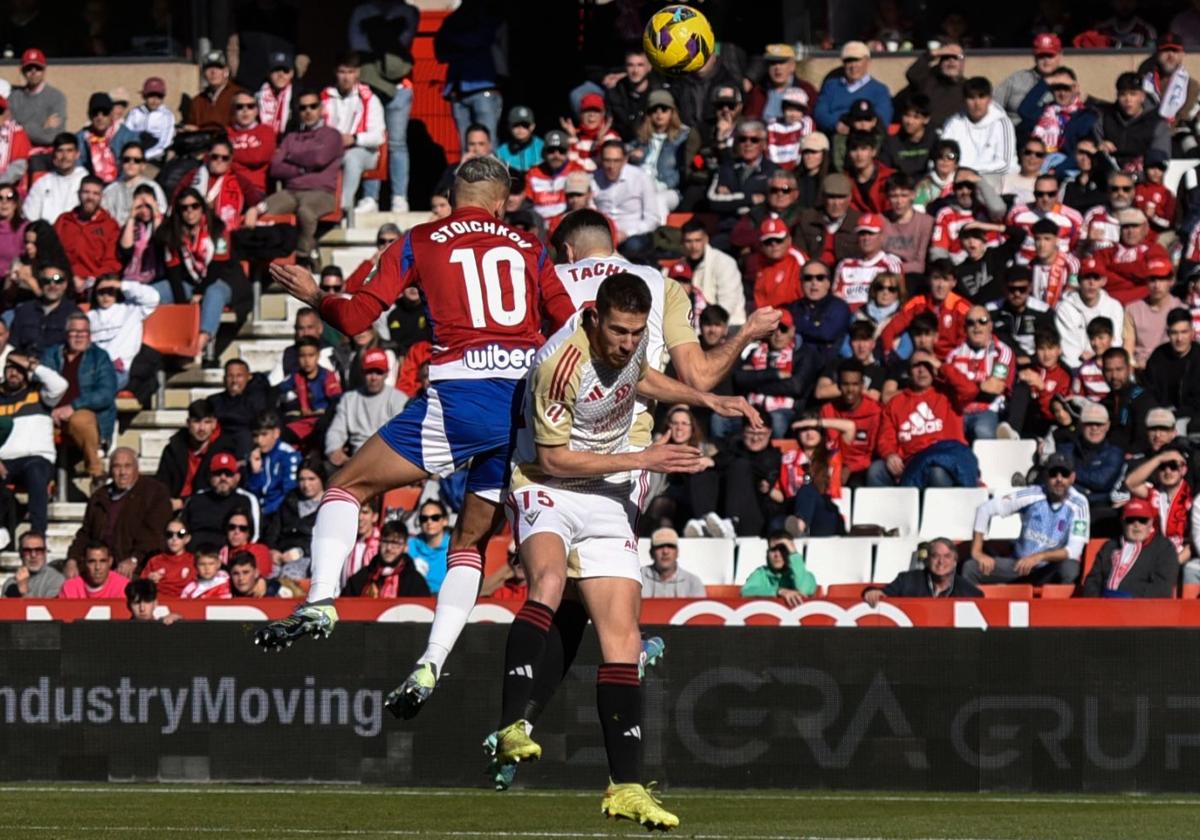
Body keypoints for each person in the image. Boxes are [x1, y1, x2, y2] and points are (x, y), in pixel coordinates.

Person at [255, 157, 576, 690]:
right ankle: (432, 660)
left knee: (344, 486)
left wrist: (315, 295)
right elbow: (568, 327)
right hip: (522, 409)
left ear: (454, 196)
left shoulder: (422, 239)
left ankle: (321, 601)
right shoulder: (530, 246)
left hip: (457, 401)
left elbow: (356, 318)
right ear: (501, 204)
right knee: (469, 543)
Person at [490, 272, 749, 830]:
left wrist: (706, 398)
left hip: (604, 492)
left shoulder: (629, 348)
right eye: (618, 331)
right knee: (550, 585)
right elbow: (555, 460)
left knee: (623, 638)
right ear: (593, 319)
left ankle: (625, 787)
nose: (627, 342)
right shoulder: (562, 365)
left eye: (636, 332)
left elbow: (646, 378)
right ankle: (511, 726)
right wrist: (642, 460)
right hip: (547, 483)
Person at [153, 188, 250, 364]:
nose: (190, 211)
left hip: (223, 278)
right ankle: (151, 342)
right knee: (155, 292)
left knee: (214, 292)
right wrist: (183, 308)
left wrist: (200, 292)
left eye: (195, 206)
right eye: (184, 208)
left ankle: (199, 344)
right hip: (190, 281)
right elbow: (173, 271)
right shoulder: (172, 234)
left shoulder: (218, 229)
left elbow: (218, 266)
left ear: (202, 208)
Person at [963, 452, 1089, 586]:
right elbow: (985, 509)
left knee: (1070, 569)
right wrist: (977, 551)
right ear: (1046, 476)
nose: (1059, 479)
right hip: (1019, 565)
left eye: (1064, 474)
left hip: (1049, 569)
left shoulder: (1079, 503)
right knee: (971, 568)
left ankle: (1060, 607)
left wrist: (1039, 557)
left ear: (1072, 477)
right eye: (1053, 474)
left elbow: (1074, 550)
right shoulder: (1033, 493)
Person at [867, 350, 975, 488]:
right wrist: (890, 455)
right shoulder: (896, 403)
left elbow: (970, 390)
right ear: (909, 372)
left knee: (936, 472)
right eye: (916, 366)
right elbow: (885, 438)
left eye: (927, 365)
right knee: (876, 470)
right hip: (911, 463)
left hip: (945, 459)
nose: (922, 370)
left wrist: (940, 365)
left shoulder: (948, 393)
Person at [259, 89, 343, 262]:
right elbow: (275, 167)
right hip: (291, 191)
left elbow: (319, 159)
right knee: (263, 209)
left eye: (313, 106)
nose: (308, 111)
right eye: (303, 108)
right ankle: (269, 258)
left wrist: (291, 156)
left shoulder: (332, 135)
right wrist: (303, 168)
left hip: (321, 193)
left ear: (321, 109)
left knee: (306, 212)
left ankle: (303, 257)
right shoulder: (291, 137)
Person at [66, 446, 171, 572]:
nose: (122, 473)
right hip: (100, 568)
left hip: (139, 568)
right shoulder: (100, 496)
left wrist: (134, 559)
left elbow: (154, 537)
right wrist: (72, 559)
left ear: (137, 468)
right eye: (117, 467)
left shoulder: (155, 493)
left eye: (128, 466)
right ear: (111, 470)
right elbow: (85, 533)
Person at [0, 353, 64, 535]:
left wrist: (33, 366)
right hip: (4, 462)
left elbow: (60, 385)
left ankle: (38, 535)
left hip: (36, 458)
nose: (14, 373)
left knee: (36, 473)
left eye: (19, 370)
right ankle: (4, 526)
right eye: (10, 369)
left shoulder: (40, 393)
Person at [321, 51, 386, 213]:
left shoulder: (370, 99)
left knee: (351, 157)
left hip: (365, 153)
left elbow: (378, 136)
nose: (346, 77)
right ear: (335, 73)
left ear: (358, 73)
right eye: (342, 72)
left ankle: (343, 207)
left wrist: (354, 139)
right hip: (332, 150)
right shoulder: (325, 97)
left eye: (350, 72)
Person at [325, 346, 408, 467]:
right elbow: (336, 430)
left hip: (388, 457)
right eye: (369, 372)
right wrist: (334, 450)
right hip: (356, 457)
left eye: (378, 372)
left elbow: (402, 436)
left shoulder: (399, 399)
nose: (373, 377)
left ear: (387, 374)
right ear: (362, 373)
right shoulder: (349, 399)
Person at [944, 305, 1017, 442]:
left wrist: (965, 386)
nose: (976, 326)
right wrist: (979, 386)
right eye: (971, 323)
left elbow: (995, 387)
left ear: (990, 325)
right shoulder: (953, 355)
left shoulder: (1002, 352)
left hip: (988, 410)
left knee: (982, 430)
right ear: (965, 328)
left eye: (982, 321)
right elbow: (950, 390)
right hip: (958, 412)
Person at [1081, 497, 1177, 597]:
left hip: (1141, 608)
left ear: (1151, 522)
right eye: (1130, 520)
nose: (1136, 524)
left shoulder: (1164, 549)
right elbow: (1092, 581)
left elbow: (1162, 588)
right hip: (1103, 606)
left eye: (1142, 520)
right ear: (1123, 522)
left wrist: (1130, 601)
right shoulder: (1109, 547)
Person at [880, 260, 972, 360]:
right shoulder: (918, 303)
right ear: (929, 280)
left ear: (953, 283)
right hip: (921, 359)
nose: (940, 285)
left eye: (945, 280)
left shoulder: (962, 307)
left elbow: (964, 344)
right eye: (936, 278)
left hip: (951, 360)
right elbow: (890, 329)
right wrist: (888, 353)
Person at [155, 398, 237, 509]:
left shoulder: (224, 450)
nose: (202, 428)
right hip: (172, 507)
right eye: (197, 422)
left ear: (214, 424)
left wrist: (182, 503)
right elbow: (162, 483)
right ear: (188, 424)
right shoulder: (173, 448)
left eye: (207, 422)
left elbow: (217, 488)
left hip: (207, 508)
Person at [86, 276, 160, 399]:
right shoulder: (89, 317)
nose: (105, 296)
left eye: (110, 291)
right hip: (95, 370)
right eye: (101, 292)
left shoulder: (132, 309)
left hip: (122, 369)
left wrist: (122, 285)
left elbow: (153, 297)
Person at [1125, 443, 1193, 569]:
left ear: (1183, 469)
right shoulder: (1153, 492)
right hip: (1152, 553)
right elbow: (1130, 483)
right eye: (1162, 467)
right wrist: (1159, 458)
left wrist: (1172, 564)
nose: (1167, 471)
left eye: (1173, 466)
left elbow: (1194, 543)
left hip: (1181, 558)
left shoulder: (1193, 497)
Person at [939, 77, 1017, 186]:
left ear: (990, 99)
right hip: (959, 181)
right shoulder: (954, 123)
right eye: (971, 98)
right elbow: (942, 156)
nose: (977, 103)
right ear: (964, 100)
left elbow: (1005, 165)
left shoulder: (1002, 123)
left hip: (995, 181)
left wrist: (972, 173)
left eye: (981, 97)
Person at [864, 537, 982, 604]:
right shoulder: (906, 581)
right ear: (927, 560)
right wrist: (873, 593)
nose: (941, 561)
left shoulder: (969, 592)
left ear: (955, 562)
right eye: (935, 556)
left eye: (947, 557)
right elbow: (882, 593)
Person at [1055, 257, 1125, 369]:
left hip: (1108, 365)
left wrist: (1095, 358)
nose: (1091, 283)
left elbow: (1116, 342)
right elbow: (1070, 350)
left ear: (1104, 281)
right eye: (1087, 277)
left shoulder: (1114, 306)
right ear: (1079, 280)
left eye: (1096, 278)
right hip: (1077, 368)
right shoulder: (1065, 308)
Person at [183, 451, 261, 550]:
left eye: (228, 474)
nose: (223, 478)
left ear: (237, 477)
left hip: (231, 557)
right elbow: (182, 529)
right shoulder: (196, 499)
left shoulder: (247, 500)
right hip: (194, 555)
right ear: (210, 476)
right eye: (218, 473)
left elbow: (255, 536)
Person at [1093, 72, 1170, 172]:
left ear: (1142, 97)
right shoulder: (1104, 117)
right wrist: (1099, 146)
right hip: (1109, 174)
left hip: (1142, 176)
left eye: (1133, 94)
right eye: (1123, 94)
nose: (1128, 99)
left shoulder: (1156, 123)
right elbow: (1089, 147)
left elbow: (1160, 160)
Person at [54, 176, 121, 290]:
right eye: (86, 192)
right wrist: (68, 278)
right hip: (62, 282)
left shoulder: (110, 226)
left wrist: (89, 282)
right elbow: (52, 255)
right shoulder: (64, 221)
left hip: (95, 287)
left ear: (101, 197)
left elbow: (111, 263)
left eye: (95, 194)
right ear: (79, 194)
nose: (90, 197)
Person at [247, 409, 301, 547]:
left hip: (278, 512)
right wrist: (255, 472)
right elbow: (252, 491)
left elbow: (289, 491)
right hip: (259, 511)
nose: (259, 441)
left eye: (264, 434)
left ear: (276, 433)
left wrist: (268, 509)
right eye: (255, 435)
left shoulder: (288, 455)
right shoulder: (253, 455)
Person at [677, 219, 745, 329]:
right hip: (695, 329)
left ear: (706, 239)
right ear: (682, 243)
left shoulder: (724, 262)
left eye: (697, 240)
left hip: (729, 325)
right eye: (688, 241)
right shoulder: (678, 267)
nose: (693, 246)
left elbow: (727, 305)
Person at [813, 41, 893, 133]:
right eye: (848, 61)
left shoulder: (880, 90)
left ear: (868, 61)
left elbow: (883, 119)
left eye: (857, 60)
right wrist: (836, 124)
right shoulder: (831, 86)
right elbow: (820, 113)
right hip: (835, 135)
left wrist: (858, 126)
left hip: (866, 139)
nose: (853, 65)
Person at [833, 213, 903, 311]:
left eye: (871, 233)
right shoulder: (844, 265)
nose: (866, 238)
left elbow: (897, 298)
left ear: (881, 236)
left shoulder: (891, 263)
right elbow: (836, 298)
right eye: (862, 234)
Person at [8, 260, 79, 356]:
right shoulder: (24, 311)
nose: (52, 285)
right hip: (24, 365)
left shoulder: (74, 314)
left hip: (56, 367)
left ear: (65, 284)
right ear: (40, 283)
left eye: (58, 280)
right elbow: (13, 345)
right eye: (46, 281)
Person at [344, 520, 430, 597]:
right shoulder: (363, 576)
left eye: (395, 543)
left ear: (405, 547)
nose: (389, 548)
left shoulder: (414, 582)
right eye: (385, 541)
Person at [1143, 309, 1200, 423]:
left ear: (1192, 333)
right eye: (1174, 333)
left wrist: (1175, 415)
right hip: (1160, 415)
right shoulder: (1158, 357)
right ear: (1168, 333)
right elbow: (1148, 391)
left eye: (1184, 332)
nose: (1179, 339)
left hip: (1192, 418)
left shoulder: (1198, 356)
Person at [1099, 347, 1156, 452]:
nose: (1114, 376)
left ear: (1129, 369)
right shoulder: (1105, 403)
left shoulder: (1142, 399)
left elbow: (1143, 439)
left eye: (1119, 369)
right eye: (1108, 370)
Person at [9, 49, 66, 151]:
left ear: (44, 70)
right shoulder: (14, 98)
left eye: (38, 68)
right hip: (18, 152)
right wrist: (42, 126)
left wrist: (22, 128)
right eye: (29, 68)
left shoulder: (57, 97)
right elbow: (10, 133)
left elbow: (52, 137)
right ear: (22, 71)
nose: (33, 71)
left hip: (47, 155)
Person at [75, 92, 139, 184]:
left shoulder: (128, 138)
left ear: (111, 114)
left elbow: (132, 168)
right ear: (89, 115)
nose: (100, 117)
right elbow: (78, 168)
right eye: (95, 113)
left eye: (105, 113)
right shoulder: (81, 138)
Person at [22, 132, 86, 222]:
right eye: (60, 151)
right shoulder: (42, 183)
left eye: (69, 151)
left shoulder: (86, 181)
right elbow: (30, 216)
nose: (64, 156)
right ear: (54, 154)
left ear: (77, 154)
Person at [1125, 272, 1184, 369]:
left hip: (1171, 367)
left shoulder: (1181, 308)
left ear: (1171, 281)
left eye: (1162, 279)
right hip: (1141, 369)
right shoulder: (1132, 309)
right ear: (1147, 282)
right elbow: (1128, 346)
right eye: (1152, 280)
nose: (1157, 285)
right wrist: (1132, 365)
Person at [901, 44, 966, 131]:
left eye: (956, 58)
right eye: (946, 57)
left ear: (963, 63)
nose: (951, 61)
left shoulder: (967, 87)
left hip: (955, 135)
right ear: (940, 62)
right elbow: (912, 74)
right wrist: (935, 52)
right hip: (927, 136)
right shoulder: (928, 80)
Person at [524, 130, 585, 222]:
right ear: (544, 153)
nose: (556, 155)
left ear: (567, 152)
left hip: (567, 223)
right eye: (551, 151)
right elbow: (527, 205)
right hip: (539, 226)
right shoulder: (532, 174)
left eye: (561, 151)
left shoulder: (576, 170)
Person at [228, 91, 275, 208]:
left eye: (250, 106)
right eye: (239, 107)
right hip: (228, 187)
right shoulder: (226, 132)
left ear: (256, 111)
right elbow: (214, 159)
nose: (245, 110)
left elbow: (257, 157)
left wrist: (230, 157)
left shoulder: (266, 131)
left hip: (255, 189)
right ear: (233, 111)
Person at [101, 143, 167, 225]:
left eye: (137, 160)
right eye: (126, 159)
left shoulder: (153, 187)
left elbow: (161, 213)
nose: (131, 163)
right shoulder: (110, 190)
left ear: (143, 165)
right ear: (121, 163)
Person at [740, 533, 817, 604]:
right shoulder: (761, 573)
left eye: (782, 550)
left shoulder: (807, 576)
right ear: (767, 553)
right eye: (773, 550)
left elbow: (804, 589)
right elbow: (745, 591)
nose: (777, 555)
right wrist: (779, 591)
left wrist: (794, 554)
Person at [751, 217, 806, 309]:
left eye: (778, 240)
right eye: (768, 241)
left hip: (793, 317)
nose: (774, 244)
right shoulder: (759, 262)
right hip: (765, 317)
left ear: (789, 240)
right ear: (761, 245)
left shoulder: (798, 261)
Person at [123, 77, 175, 166]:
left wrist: (144, 156)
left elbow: (164, 143)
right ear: (144, 96)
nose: (154, 100)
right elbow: (126, 134)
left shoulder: (167, 116)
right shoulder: (135, 112)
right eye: (151, 96)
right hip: (134, 150)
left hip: (155, 157)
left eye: (158, 97)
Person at [187, 49, 245, 131]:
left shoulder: (238, 95)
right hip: (203, 141)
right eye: (209, 68)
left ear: (226, 72)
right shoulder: (197, 102)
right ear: (203, 73)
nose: (213, 72)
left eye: (218, 68)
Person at [640, 527, 705, 598]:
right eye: (660, 546)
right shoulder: (637, 579)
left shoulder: (693, 583)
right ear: (651, 553)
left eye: (670, 546)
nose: (665, 551)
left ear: (677, 552)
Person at [139, 517, 195, 598]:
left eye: (180, 534)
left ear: (187, 538)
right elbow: (140, 588)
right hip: (159, 604)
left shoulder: (194, 561)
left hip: (187, 604)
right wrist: (148, 581)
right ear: (164, 537)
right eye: (169, 534)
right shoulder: (155, 561)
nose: (174, 538)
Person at [882, 94, 934, 178]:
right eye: (907, 115)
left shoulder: (934, 140)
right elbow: (885, 171)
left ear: (926, 119)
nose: (909, 122)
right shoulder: (891, 142)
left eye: (916, 117)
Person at [59, 542, 130, 599]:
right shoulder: (70, 587)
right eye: (92, 561)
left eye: (103, 561)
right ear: (84, 562)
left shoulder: (123, 586)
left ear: (110, 562)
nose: (97, 567)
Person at [2, 531, 63, 598]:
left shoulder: (56, 580)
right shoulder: (10, 584)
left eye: (38, 550)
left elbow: (53, 608)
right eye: (27, 551)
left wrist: (24, 592)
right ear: (20, 553)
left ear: (45, 553)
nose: (33, 555)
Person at [256, 50, 299, 139]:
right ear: (268, 73)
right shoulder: (257, 97)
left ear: (292, 74)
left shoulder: (299, 97)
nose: (281, 75)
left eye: (285, 71)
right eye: (276, 70)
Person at [497, 105, 543, 174]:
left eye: (525, 125)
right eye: (516, 125)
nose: (520, 128)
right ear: (509, 126)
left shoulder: (543, 147)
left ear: (533, 126)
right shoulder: (501, 152)